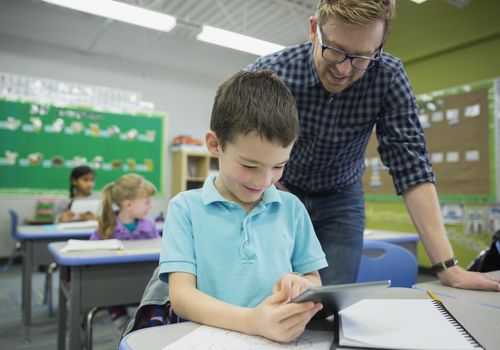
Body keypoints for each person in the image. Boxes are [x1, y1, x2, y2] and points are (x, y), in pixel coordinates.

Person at [247, 0, 500, 291]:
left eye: (362, 57)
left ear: (380, 44)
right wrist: (267, 184)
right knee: (266, 289)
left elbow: (411, 165)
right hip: (279, 189)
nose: (344, 69)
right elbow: (238, 144)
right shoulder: (271, 73)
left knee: (328, 300)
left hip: (341, 198)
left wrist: (448, 268)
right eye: (336, 51)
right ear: (315, 29)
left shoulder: (388, 76)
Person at [159, 70, 328, 342]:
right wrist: (253, 322)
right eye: (250, 165)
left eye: (279, 166)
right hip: (206, 340)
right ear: (215, 145)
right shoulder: (185, 208)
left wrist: (303, 285)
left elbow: (314, 279)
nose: (264, 180)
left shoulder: (292, 208)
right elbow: (181, 298)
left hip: (277, 340)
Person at [90, 173, 159, 330]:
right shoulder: (106, 226)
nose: (151, 206)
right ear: (128, 205)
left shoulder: (149, 225)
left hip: (144, 281)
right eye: (147, 202)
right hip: (114, 282)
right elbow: (91, 255)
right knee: (109, 285)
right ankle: (119, 314)